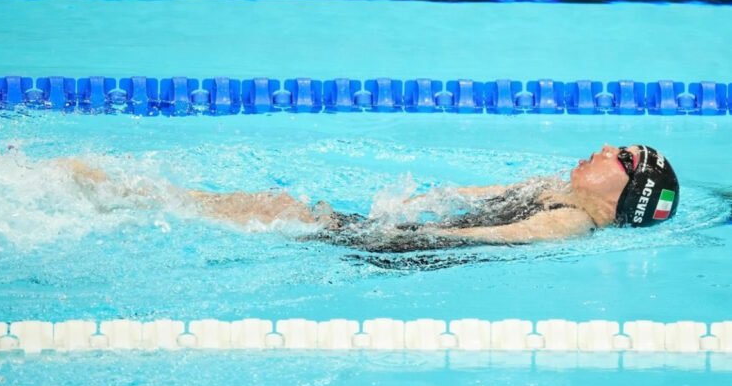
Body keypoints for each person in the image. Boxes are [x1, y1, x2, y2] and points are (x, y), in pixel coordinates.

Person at [61, 144, 679, 253]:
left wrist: (391, 233)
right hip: (401, 234)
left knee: (290, 214)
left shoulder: (569, 224)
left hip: (401, 251)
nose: (604, 148)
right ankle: (134, 197)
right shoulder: (549, 190)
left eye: (621, 158)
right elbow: (456, 197)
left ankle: (133, 199)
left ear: (629, 191)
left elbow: (482, 237)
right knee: (284, 206)